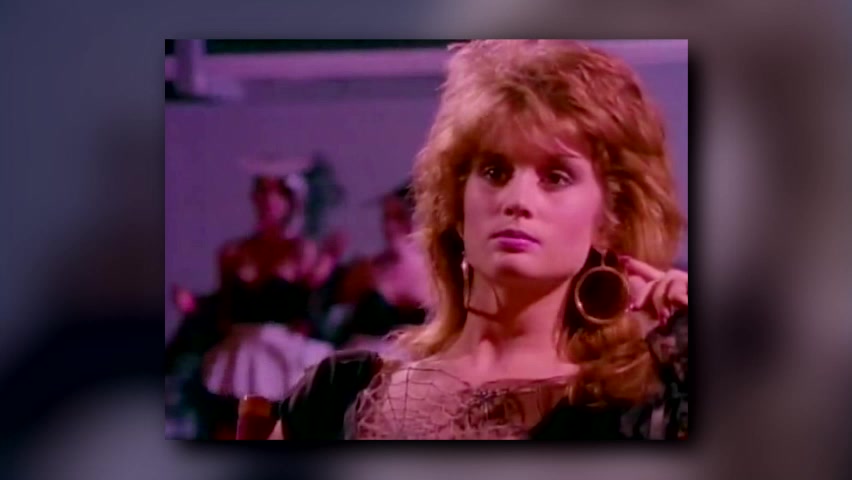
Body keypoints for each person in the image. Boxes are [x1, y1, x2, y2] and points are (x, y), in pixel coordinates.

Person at [270, 40, 688, 440]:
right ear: (457, 205)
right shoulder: (337, 393)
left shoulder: (634, 409)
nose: (516, 200)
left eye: (556, 177)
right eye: (494, 172)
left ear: (609, 220)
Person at [328, 181, 430, 353]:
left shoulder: (442, 274)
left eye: (399, 217)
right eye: (386, 218)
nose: (390, 226)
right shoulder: (369, 268)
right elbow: (331, 308)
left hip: (417, 361)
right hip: (364, 357)